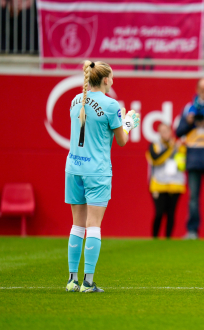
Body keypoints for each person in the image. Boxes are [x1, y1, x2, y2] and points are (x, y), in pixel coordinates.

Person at [65, 60, 140, 293]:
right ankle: (88, 282)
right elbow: (121, 140)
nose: (113, 81)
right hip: (96, 171)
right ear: (106, 79)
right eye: (113, 77)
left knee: (77, 225)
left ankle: (72, 280)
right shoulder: (111, 105)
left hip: (73, 167)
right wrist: (128, 123)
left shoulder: (76, 100)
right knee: (93, 225)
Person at [176, 78, 204, 240]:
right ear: (197, 89)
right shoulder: (189, 108)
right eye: (202, 89)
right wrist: (189, 122)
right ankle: (192, 231)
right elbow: (178, 131)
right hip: (193, 157)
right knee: (193, 198)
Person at [146, 123, 187, 239]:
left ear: (171, 132)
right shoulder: (154, 145)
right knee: (159, 213)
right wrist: (170, 148)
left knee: (171, 213)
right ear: (159, 133)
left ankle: (168, 239)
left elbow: (183, 164)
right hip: (159, 183)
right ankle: (155, 238)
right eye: (162, 131)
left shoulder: (179, 145)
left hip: (176, 183)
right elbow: (156, 160)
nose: (165, 133)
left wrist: (180, 150)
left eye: (167, 131)